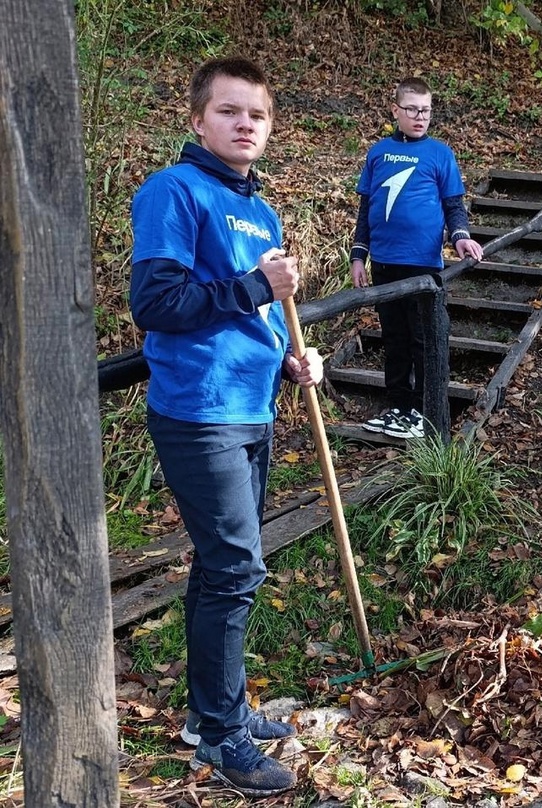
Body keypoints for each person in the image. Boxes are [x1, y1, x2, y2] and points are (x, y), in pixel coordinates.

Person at [129, 56, 324, 797]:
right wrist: (254, 286)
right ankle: (220, 736)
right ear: (197, 120)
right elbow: (157, 303)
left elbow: (260, 316)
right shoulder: (174, 191)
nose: (246, 124)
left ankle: (213, 711)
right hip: (199, 409)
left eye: (258, 115)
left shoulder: (260, 209)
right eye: (230, 112)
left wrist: (289, 363)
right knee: (238, 568)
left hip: (251, 405)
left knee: (222, 568)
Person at [349, 76, 484, 440]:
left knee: (425, 337)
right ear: (396, 110)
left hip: (423, 263)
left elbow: (453, 205)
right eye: (412, 109)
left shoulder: (440, 153)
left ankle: (427, 413)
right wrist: (358, 255)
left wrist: (461, 238)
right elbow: (366, 208)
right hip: (384, 261)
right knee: (394, 336)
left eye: (426, 110)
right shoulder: (377, 153)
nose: (420, 117)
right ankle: (398, 407)